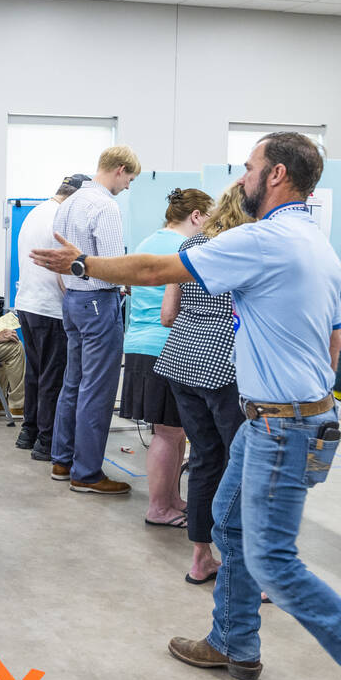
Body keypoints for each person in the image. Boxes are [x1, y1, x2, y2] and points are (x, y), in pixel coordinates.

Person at [32, 132, 341, 680]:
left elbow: (155, 270)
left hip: (281, 423)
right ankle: (233, 642)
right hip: (284, 416)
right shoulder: (318, 246)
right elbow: (336, 346)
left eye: (249, 167)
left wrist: (81, 261)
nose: (242, 177)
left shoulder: (266, 240)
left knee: (275, 563)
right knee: (229, 520)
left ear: (275, 176)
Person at [155, 184, 252, 584]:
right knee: (242, 462)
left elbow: (170, 312)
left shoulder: (191, 244)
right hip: (223, 365)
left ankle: (200, 558)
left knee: (205, 459)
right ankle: (243, 565)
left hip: (181, 358)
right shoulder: (243, 248)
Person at [50, 145, 140, 494]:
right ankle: (86, 473)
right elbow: (115, 264)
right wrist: (130, 281)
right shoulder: (105, 206)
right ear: (119, 169)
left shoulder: (68, 202)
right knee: (98, 388)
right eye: (129, 178)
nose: (129, 186)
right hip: (99, 302)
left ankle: (63, 459)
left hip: (72, 299)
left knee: (73, 381)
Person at [122, 188, 212, 528]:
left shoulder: (147, 243)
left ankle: (172, 500)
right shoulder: (182, 251)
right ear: (197, 216)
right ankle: (158, 508)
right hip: (164, 348)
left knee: (172, 433)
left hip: (138, 346)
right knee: (167, 434)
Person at [13, 174, 86, 459]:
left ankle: (28, 431)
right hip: (51, 308)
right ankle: (46, 441)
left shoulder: (36, 212)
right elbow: (63, 275)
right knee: (53, 378)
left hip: (27, 304)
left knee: (35, 372)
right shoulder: (63, 217)